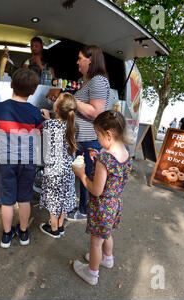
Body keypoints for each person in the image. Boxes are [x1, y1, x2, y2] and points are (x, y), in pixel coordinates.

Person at [71, 110, 133, 286]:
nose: (97, 138)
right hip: (114, 204)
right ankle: (108, 258)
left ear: (108, 134)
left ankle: (91, 272)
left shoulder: (104, 159)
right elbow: (115, 173)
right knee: (107, 233)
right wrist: (97, 157)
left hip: (101, 207)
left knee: (95, 242)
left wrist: (81, 174)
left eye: (97, 134)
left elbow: (96, 190)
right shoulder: (126, 153)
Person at [0, 68, 43, 248]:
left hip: (5, 161)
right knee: (25, 198)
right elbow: (38, 136)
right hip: (28, 161)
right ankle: (24, 233)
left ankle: (6, 235)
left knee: (7, 199)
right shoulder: (35, 112)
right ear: (33, 91)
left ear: (11, 85)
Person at [67, 45, 110, 221]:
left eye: (80, 58)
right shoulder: (88, 81)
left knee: (89, 178)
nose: (77, 62)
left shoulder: (98, 80)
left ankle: (86, 212)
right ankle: (85, 208)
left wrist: (71, 100)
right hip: (83, 139)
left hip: (91, 139)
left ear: (90, 59)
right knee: (84, 175)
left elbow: (96, 112)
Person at [38, 93, 78, 238]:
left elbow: (47, 134)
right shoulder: (72, 125)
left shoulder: (49, 124)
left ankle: (54, 229)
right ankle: (60, 226)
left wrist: (47, 118)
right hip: (68, 170)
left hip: (54, 171)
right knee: (64, 198)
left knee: (54, 199)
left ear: (56, 108)